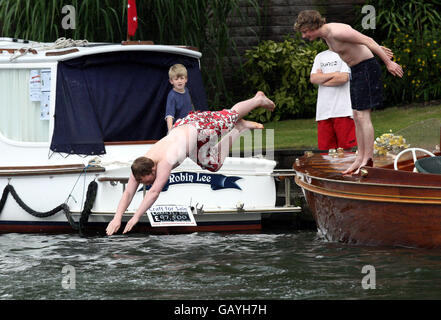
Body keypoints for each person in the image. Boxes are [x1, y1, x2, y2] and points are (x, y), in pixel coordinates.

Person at [106, 92, 275, 235]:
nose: (146, 184)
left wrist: (136, 217)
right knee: (213, 164)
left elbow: (154, 192)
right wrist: (117, 217)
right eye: (143, 182)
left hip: (198, 127)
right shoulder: (139, 166)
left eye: (146, 180)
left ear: (153, 169)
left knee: (230, 115)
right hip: (188, 141)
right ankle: (240, 128)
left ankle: (257, 99)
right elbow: (128, 193)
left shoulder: (166, 160)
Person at [294, 10, 403, 174]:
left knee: (363, 115)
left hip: (366, 68)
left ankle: (367, 159)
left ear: (313, 26)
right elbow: (357, 44)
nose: (304, 36)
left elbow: (367, 40)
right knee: (356, 115)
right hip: (357, 70)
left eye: (304, 31)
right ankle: (360, 158)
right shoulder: (327, 36)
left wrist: (389, 63)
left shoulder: (336, 31)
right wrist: (377, 48)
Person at [310, 49, 356, 150]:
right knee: (326, 153)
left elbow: (343, 78)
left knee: (346, 153)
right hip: (323, 113)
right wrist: (335, 74)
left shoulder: (346, 53)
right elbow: (313, 78)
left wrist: (322, 79)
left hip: (343, 111)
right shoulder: (320, 56)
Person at [165, 64, 194, 132]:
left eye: (182, 78)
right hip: (177, 130)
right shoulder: (172, 96)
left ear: (186, 79)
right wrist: (170, 131)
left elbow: (190, 107)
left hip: (188, 126)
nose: (179, 81)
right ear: (171, 81)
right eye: (176, 79)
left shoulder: (187, 90)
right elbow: (169, 115)